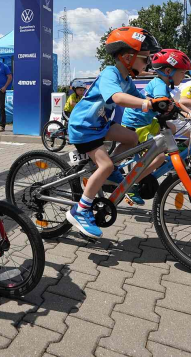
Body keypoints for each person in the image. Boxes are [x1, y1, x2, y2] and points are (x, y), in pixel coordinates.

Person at [66, 26, 159, 239]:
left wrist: (163, 105)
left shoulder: (126, 80)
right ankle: (81, 210)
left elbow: (140, 99)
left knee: (132, 138)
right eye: (145, 58)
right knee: (105, 165)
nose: (148, 63)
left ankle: (111, 171)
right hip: (84, 127)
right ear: (127, 57)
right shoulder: (111, 73)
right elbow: (117, 97)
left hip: (100, 125)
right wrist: (146, 104)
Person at [121, 49, 191, 204]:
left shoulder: (162, 83)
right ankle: (131, 185)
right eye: (182, 72)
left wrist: (188, 113)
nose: (184, 76)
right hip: (137, 124)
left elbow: (172, 103)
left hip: (146, 122)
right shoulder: (160, 85)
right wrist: (171, 110)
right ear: (168, 71)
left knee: (172, 128)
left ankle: (156, 157)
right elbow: (163, 103)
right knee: (159, 157)